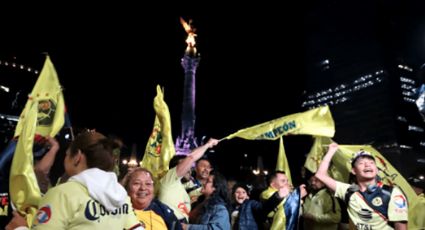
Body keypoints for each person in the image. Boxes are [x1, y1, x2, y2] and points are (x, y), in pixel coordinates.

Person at [6, 131, 143, 230]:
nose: (65, 159)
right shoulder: (121, 196)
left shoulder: (62, 194)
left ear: (77, 156)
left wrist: (20, 228)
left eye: (66, 155)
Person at [315, 142, 408, 230]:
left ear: (377, 170)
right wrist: (331, 151)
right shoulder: (348, 191)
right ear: (354, 171)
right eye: (361, 163)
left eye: (371, 163)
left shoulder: (391, 193)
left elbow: (401, 227)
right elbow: (320, 175)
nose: (367, 165)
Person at [158, 138, 219, 223]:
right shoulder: (168, 180)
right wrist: (207, 145)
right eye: (186, 166)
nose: (190, 169)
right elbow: (191, 157)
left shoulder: (182, 187)